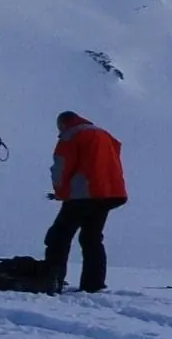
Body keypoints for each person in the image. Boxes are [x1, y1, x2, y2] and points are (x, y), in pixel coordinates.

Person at [44, 111, 128, 293]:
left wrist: (60, 192)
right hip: (108, 194)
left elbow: (61, 167)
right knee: (91, 238)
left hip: (83, 193)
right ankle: (94, 283)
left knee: (59, 236)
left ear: (63, 123)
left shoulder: (71, 135)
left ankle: (52, 279)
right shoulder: (104, 134)